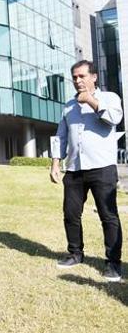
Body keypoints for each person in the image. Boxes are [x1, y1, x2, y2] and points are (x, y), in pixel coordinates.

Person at [50, 60, 123, 282]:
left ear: (94, 77)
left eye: (82, 76)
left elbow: (114, 119)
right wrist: (55, 162)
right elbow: (61, 135)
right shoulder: (68, 106)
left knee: (108, 216)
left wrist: (91, 101)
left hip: (102, 167)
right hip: (74, 169)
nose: (78, 81)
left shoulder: (110, 98)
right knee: (71, 213)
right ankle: (75, 253)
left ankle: (113, 264)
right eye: (74, 77)